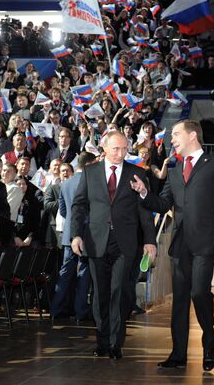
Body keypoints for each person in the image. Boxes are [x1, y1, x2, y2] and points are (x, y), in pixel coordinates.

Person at [130, 120, 214, 371]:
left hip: (206, 241)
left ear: (192, 135)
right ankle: (178, 355)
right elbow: (163, 203)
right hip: (180, 243)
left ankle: (208, 338)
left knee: (199, 292)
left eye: (176, 134)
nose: (172, 139)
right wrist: (145, 193)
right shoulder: (175, 169)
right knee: (179, 301)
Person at [71, 131, 157, 360]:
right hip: (96, 241)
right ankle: (102, 340)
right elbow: (79, 206)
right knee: (99, 293)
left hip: (125, 243)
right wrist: (76, 235)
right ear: (104, 148)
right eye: (116, 149)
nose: (121, 154)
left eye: (124, 149)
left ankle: (115, 343)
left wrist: (149, 240)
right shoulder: (90, 172)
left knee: (119, 291)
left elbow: (144, 212)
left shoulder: (137, 173)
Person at [51, 152, 96, 323]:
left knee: (65, 272)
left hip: (69, 234)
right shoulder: (90, 182)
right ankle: (80, 311)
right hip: (85, 233)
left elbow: (62, 211)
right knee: (84, 272)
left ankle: (56, 309)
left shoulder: (66, 183)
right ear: (90, 164)